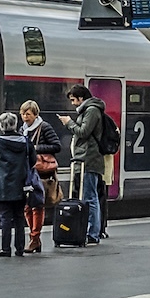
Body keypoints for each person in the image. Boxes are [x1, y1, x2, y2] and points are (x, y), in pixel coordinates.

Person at [0, 112, 34, 257]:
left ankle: (5, 249)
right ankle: (20, 248)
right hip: (21, 185)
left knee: (5, 218)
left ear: (1, 126)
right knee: (19, 216)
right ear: (15, 124)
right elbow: (32, 161)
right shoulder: (26, 141)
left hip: (3, 185)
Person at [64, 85, 106, 245]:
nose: (73, 103)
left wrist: (69, 123)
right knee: (88, 196)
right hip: (84, 159)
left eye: (74, 100)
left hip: (89, 159)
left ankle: (93, 233)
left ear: (81, 98)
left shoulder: (92, 110)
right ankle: (88, 231)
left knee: (90, 197)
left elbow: (83, 131)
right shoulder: (89, 110)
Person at [19, 101, 61, 254]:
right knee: (27, 206)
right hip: (27, 172)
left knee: (37, 205)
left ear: (35, 114)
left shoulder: (45, 127)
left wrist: (35, 148)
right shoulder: (23, 129)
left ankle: (34, 238)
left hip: (41, 173)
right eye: (23, 114)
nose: (24, 117)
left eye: (28, 114)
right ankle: (34, 238)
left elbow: (57, 146)